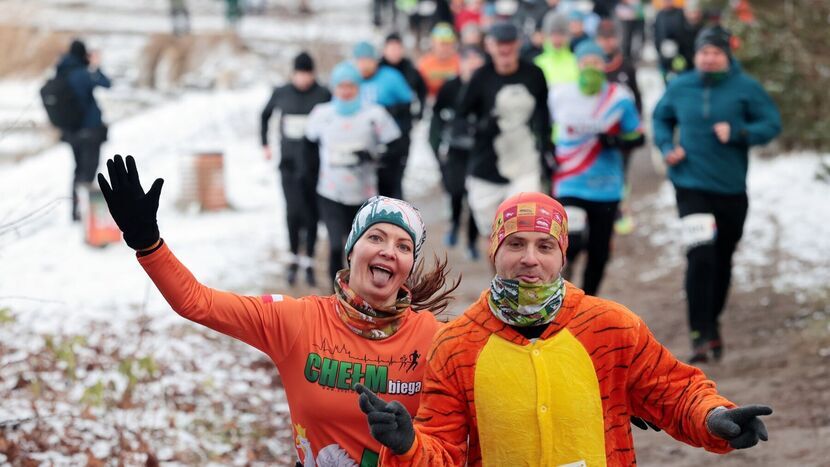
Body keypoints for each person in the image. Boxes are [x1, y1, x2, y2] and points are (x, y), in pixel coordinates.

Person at [356, 191, 774, 466]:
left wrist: (713, 417)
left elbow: (674, 391)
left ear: (562, 255)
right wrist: (408, 444)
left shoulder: (610, 327)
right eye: (515, 244)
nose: (529, 260)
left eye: (544, 246)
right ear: (494, 252)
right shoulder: (457, 344)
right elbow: (442, 451)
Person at [96, 154, 458, 467]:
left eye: (403, 246)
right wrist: (149, 244)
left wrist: (410, 444)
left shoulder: (435, 340)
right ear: (351, 249)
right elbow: (197, 302)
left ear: (409, 265)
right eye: (375, 237)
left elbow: (456, 451)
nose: (388, 251)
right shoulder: (298, 320)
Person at [653, 26, 781, 363]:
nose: (709, 58)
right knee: (700, 256)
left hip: (730, 188)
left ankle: (712, 323)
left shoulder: (746, 88)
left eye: (716, 53)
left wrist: (740, 132)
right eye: (704, 52)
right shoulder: (680, 86)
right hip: (690, 184)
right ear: (696, 55)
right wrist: (667, 146)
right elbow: (660, 118)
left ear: (726, 55)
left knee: (722, 259)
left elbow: (771, 124)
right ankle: (700, 333)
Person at [549, 41, 644, 296]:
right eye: (585, 61)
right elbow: (542, 126)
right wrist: (546, 153)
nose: (590, 66)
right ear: (577, 64)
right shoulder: (560, 94)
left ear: (604, 64)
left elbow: (639, 137)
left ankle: (588, 299)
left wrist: (617, 140)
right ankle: (563, 284)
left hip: (607, 186)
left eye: (596, 61)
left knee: (599, 253)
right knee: (573, 239)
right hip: (570, 181)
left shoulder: (619, 96)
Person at [304, 62, 403, 283]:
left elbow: (396, 145)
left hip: (363, 193)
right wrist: (307, 177)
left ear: (358, 87)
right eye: (341, 86)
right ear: (334, 88)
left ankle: (359, 290)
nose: (346, 91)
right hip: (330, 191)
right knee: (336, 244)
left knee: (359, 246)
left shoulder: (374, 114)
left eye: (351, 86)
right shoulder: (322, 114)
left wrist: (374, 156)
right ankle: (333, 294)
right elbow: (308, 145)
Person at [457, 21, 553, 235]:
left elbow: (544, 115)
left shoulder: (534, 74)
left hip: (524, 162)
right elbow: (460, 116)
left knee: (524, 229)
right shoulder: (481, 77)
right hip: (486, 166)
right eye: (500, 43)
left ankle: (522, 269)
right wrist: (479, 127)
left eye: (509, 42)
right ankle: (497, 269)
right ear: (489, 46)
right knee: (492, 235)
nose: (505, 49)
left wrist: (547, 147)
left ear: (518, 44)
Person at [260, 52, 331, 286]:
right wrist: (265, 144)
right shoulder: (282, 93)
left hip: (314, 164)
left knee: (311, 213)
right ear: (293, 74)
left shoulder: (323, 94)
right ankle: (293, 257)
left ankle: (309, 259)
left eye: (307, 74)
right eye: (299, 74)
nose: (303, 79)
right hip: (288, 164)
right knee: (292, 211)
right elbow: (265, 115)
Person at [428, 46, 486, 260]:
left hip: (479, 151)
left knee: (474, 198)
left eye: (476, 64)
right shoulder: (450, 87)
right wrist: (436, 144)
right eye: (468, 62)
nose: (472, 68)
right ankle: (453, 224)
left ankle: (471, 242)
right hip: (454, 149)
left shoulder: (486, 87)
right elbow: (435, 117)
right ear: (460, 64)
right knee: (455, 191)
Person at [595, 20, 644, 235]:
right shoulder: (593, 66)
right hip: (598, 132)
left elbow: (637, 97)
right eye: (603, 38)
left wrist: (636, 124)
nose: (607, 42)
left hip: (622, 132)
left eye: (611, 37)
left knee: (621, 172)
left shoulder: (626, 65)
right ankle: (600, 210)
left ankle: (620, 210)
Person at [56, 39, 112, 222]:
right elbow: (106, 84)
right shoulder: (82, 74)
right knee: (88, 171)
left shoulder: (61, 71)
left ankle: (75, 211)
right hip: (89, 131)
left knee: (78, 170)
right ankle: (85, 213)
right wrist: (95, 66)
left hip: (71, 132)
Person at [353, 41, 415, 200]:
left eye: (368, 61)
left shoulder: (391, 77)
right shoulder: (352, 80)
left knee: (391, 186)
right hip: (363, 140)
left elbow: (409, 103)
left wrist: (393, 112)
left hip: (391, 140)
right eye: (360, 61)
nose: (364, 66)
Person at [380, 33, 428, 122]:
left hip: (404, 118)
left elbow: (422, 90)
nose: (394, 52)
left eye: (397, 48)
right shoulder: (377, 69)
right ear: (384, 50)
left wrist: (420, 111)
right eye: (391, 48)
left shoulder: (410, 69)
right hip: (382, 117)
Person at [533, 11, 579, 88]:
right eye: (553, 34)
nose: (557, 39)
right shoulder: (537, 63)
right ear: (546, 35)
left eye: (562, 34)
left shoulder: (577, 61)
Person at [416, 23, 461, 99]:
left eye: (448, 44)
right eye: (442, 44)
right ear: (433, 44)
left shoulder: (460, 62)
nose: (445, 48)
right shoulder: (424, 63)